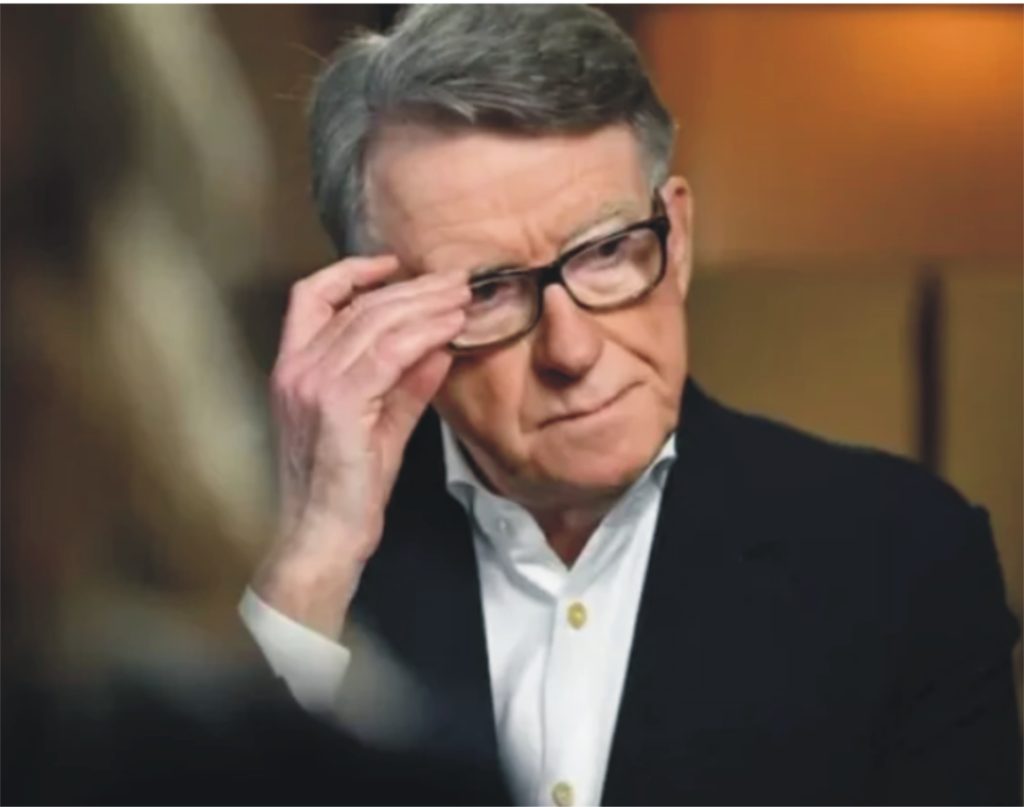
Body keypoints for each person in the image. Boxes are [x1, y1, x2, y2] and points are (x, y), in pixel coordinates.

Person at [240, 6, 1022, 805]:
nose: (572, 350)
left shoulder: (908, 557)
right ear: (375, 318)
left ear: (675, 238)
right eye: (486, 289)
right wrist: (314, 563)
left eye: (609, 250)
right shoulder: (273, 572)